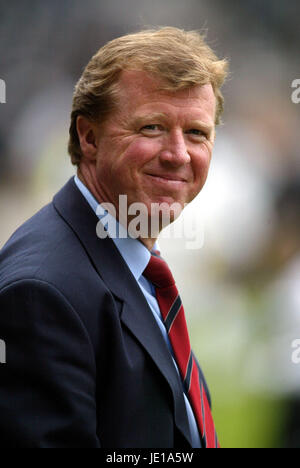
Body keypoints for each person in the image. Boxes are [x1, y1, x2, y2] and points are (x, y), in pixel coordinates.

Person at [0, 27, 228, 448]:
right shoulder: (42, 294)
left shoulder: (133, 265)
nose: (178, 154)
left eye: (197, 133)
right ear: (88, 137)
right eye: (152, 127)